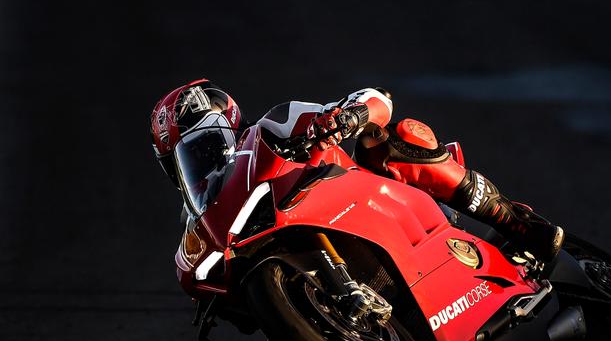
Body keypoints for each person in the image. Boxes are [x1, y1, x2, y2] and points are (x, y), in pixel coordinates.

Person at [150, 79, 564, 261]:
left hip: (361, 201)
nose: (201, 161)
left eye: (203, 146)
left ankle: (514, 222)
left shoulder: (273, 127)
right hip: (286, 251)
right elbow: (194, 276)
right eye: (184, 159)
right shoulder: (199, 223)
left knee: (395, 141)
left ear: (227, 125)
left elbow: (376, 98)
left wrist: (349, 116)